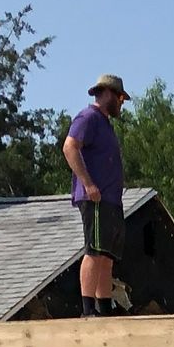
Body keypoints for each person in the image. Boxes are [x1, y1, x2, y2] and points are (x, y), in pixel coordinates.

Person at [62, 74, 130, 314]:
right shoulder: (87, 117)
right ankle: (87, 308)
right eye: (120, 97)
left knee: (106, 254)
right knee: (94, 250)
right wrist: (88, 184)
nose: (121, 103)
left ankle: (103, 308)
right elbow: (69, 147)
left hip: (110, 199)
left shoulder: (105, 124)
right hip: (96, 198)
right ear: (108, 93)